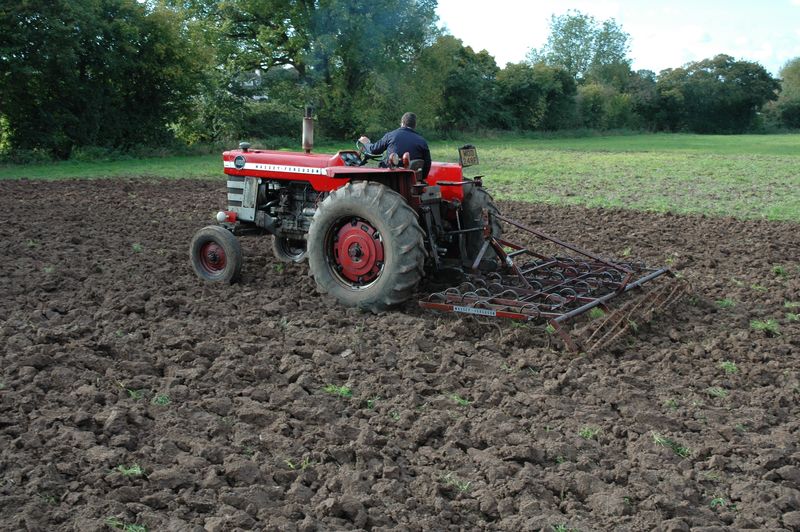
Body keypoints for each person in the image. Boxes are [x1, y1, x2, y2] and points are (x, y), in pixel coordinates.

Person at [358, 112, 431, 180]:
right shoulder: (422, 141)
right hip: (412, 179)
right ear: (415, 125)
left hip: (390, 178)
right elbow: (427, 163)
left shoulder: (390, 135)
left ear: (402, 123)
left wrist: (366, 142)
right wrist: (422, 178)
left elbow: (374, 150)